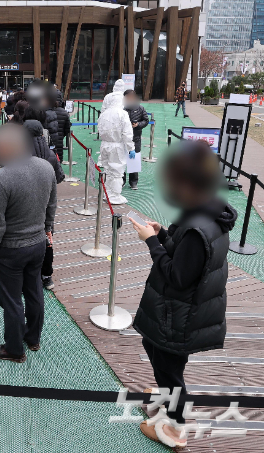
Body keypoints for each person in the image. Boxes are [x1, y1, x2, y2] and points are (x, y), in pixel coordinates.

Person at [132, 140, 236, 449]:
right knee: (157, 353)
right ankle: (167, 406)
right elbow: (189, 259)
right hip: (183, 310)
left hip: (179, 315)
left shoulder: (196, 227)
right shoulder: (209, 210)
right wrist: (163, 233)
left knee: (169, 369)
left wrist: (152, 242)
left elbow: (178, 276)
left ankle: (176, 429)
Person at [0, 124, 57, 363]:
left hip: (10, 249)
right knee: (34, 291)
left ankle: (14, 349)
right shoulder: (46, 167)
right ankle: (33, 338)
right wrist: (47, 230)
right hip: (37, 243)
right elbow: (52, 205)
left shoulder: (2, 179)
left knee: (12, 299)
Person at [13, 102, 64, 291]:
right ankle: (46, 275)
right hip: (46, 201)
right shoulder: (50, 154)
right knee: (47, 235)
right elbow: (59, 177)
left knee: (23, 235)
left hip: (23, 202)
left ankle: (25, 272)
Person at [96, 79, 134, 205]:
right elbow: (127, 134)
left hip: (105, 144)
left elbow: (99, 129)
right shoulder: (122, 114)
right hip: (117, 146)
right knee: (117, 172)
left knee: (107, 170)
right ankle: (115, 195)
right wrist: (131, 148)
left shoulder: (104, 114)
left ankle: (106, 193)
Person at [123, 89, 149, 190]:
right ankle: (122, 180)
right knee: (121, 161)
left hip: (135, 138)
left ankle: (133, 182)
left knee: (134, 160)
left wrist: (138, 125)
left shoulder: (140, 108)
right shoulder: (121, 108)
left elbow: (146, 120)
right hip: (123, 139)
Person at [46, 88, 71, 162]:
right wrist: (61, 136)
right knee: (58, 163)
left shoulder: (44, 111)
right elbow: (67, 129)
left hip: (47, 143)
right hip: (59, 142)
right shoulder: (64, 112)